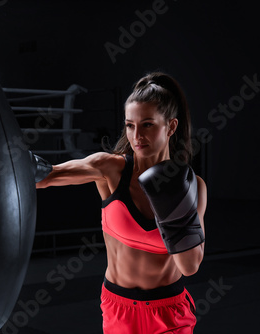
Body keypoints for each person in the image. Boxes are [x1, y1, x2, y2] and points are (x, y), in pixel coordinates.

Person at [37, 72, 206, 333]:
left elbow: (190, 266)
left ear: (171, 127)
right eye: (130, 125)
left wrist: (173, 204)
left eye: (148, 124)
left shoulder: (194, 187)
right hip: (119, 309)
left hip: (169, 312)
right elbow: (46, 177)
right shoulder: (109, 169)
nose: (136, 135)